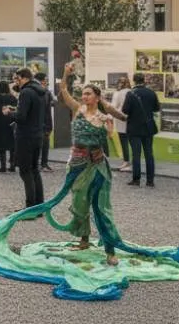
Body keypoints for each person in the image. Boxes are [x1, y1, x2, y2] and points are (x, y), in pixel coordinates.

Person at [54, 66, 127, 264]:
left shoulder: (104, 118)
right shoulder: (78, 110)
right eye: (83, 94)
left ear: (97, 97)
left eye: (88, 94)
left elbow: (111, 138)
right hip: (77, 164)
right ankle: (84, 239)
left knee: (101, 207)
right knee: (79, 203)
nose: (84, 96)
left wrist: (111, 128)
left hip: (97, 166)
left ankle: (110, 250)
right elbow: (63, 91)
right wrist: (66, 73)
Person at [9, 68, 47, 209]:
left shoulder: (26, 92)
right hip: (37, 134)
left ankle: (30, 206)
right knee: (34, 170)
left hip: (25, 136)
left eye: (16, 78)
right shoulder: (41, 91)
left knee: (25, 171)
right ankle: (39, 205)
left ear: (23, 77)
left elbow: (21, 116)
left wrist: (10, 113)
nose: (16, 82)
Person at [124, 73, 161, 188]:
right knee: (149, 154)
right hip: (148, 127)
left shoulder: (130, 94)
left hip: (134, 128)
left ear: (134, 81)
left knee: (136, 154)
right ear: (144, 80)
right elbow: (156, 108)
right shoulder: (151, 93)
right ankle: (150, 181)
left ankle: (136, 179)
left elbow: (125, 110)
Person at [0, 81, 18, 174]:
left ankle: (3, 166)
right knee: (12, 146)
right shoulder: (13, 98)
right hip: (11, 124)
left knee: (2, 147)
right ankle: (12, 165)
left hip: (0, 125)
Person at [110, 76, 132, 172]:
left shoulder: (118, 93)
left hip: (121, 119)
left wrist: (108, 116)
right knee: (133, 142)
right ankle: (133, 162)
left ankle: (126, 161)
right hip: (132, 120)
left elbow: (114, 107)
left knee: (124, 142)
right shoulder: (131, 92)